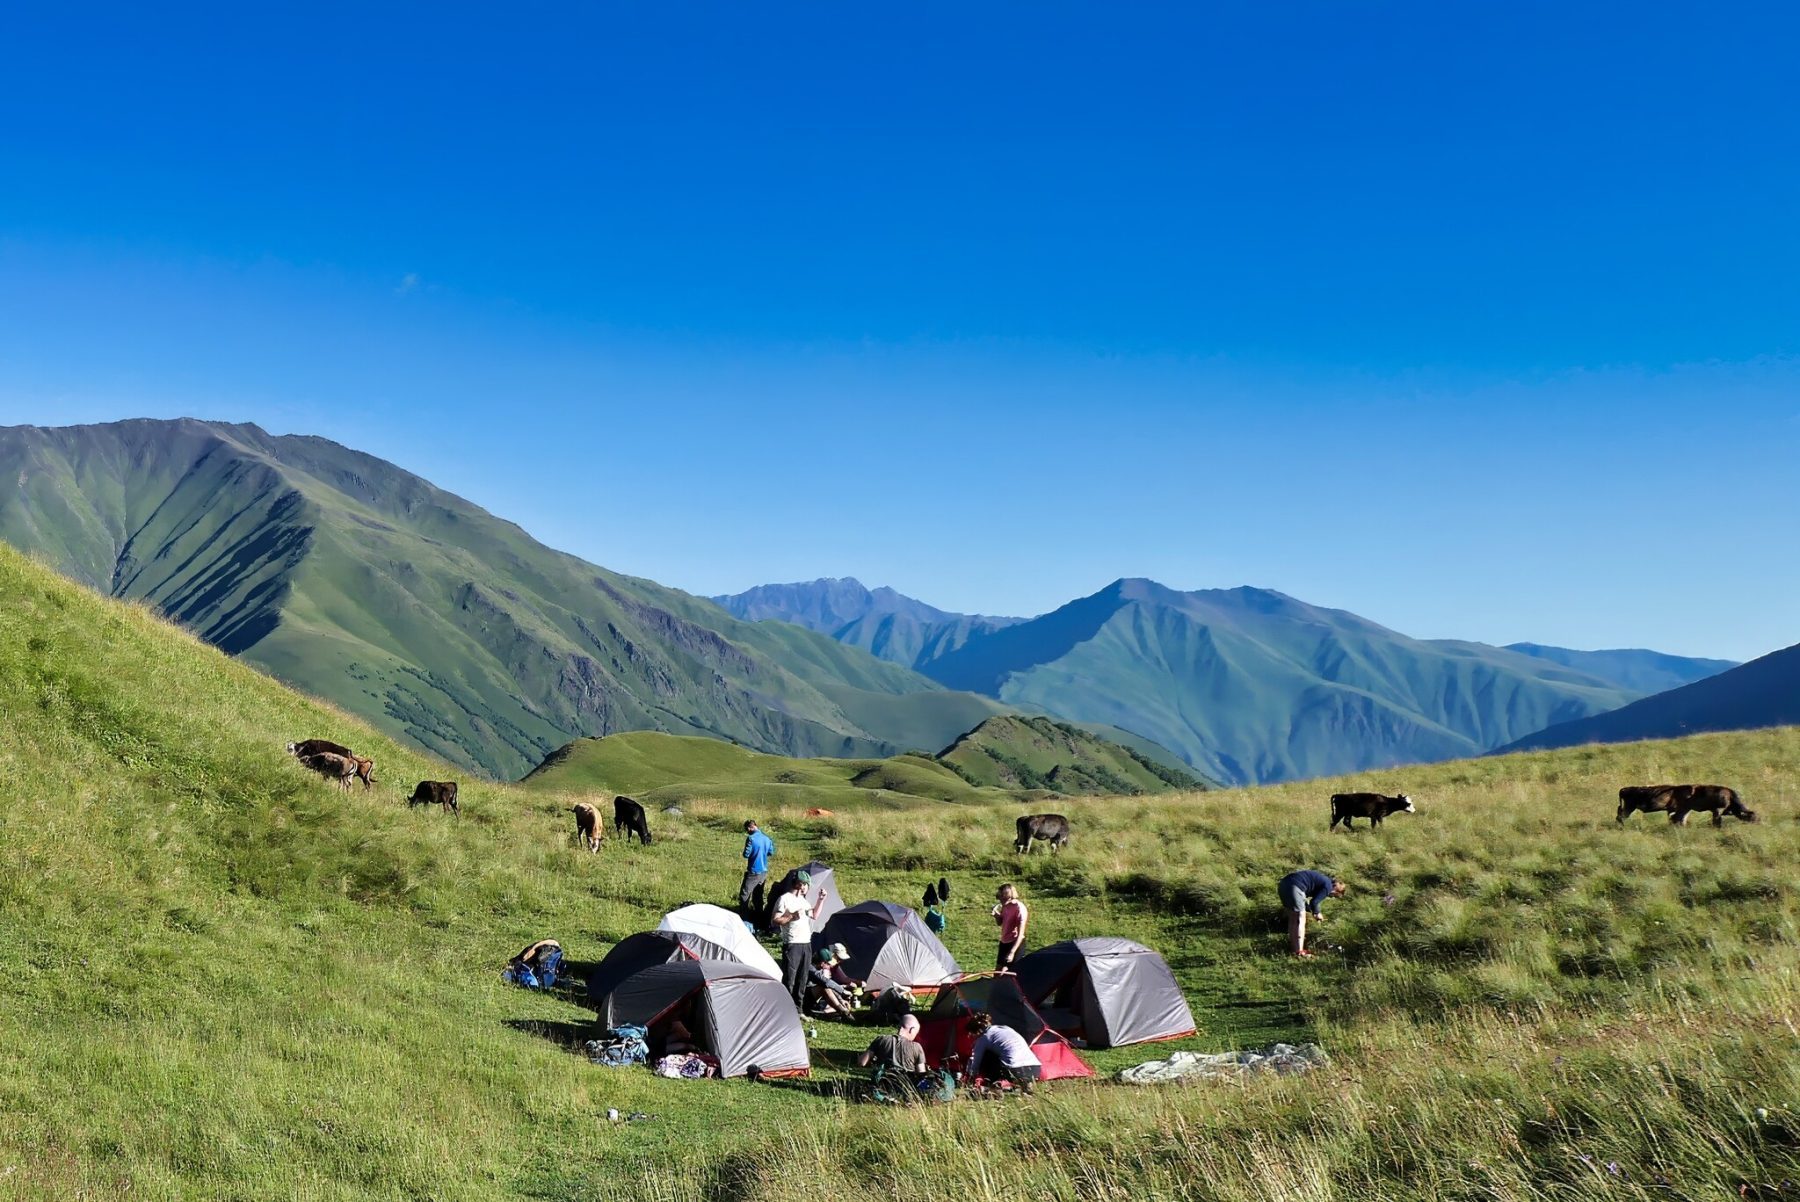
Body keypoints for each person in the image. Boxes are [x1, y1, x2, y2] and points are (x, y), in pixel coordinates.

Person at [772, 870, 828, 1009]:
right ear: (798, 884)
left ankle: (798, 1009)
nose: (805, 887)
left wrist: (821, 899)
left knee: (802, 978)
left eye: (806, 885)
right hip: (792, 944)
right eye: (803, 884)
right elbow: (775, 920)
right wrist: (791, 916)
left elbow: (814, 915)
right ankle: (785, 1009)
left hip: (806, 944)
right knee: (790, 978)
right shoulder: (784, 899)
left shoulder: (804, 902)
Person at [964, 1011, 1041, 1093]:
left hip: (1015, 1069)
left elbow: (976, 1062)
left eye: (972, 1034)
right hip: (1035, 1068)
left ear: (977, 1031)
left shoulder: (984, 1037)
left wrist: (970, 1077)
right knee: (1003, 1051)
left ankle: (993, 1086)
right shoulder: (1005, 1028)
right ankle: (1025, 1084)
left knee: (987, 1055)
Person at [1278, 868, 1347, 958]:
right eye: (1333, 895)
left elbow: (1306, 904)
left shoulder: (1322, 880)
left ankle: (1295, 950)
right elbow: (1314, 902)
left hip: (1283, 885)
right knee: (1300, 918)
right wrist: (1317, 913)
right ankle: (1299, 951)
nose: (1330, 896)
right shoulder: (1328, 886)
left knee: (1293, 918)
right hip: (1295, 886)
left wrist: (1313, 911)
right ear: (1336, 889)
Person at [858, 1013, 927, 1074]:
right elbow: (921, 1073)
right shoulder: (917, 1047)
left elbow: (862, 1062)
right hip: (905, 1085)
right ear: (912, 1030)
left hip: (883, 1083)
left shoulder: (882, 1039)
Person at [740, 820, 775, 919]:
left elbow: (746, 854)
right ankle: (759, 917)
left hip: (754, 870)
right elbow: (771, 852)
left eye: (747, 830)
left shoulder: (751, 839)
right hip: (764, 871)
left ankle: (743, 917)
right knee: (758, 895)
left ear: (749, 828)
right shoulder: (767, 838)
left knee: (745, 894)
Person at [992, 883, 1028, 972]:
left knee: (1007, 973)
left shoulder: (1019, 908)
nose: (999, 900)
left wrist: (1012, 953)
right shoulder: (1005, 906)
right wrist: (997, 916)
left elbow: (1021, 934)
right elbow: (1000, 923)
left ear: (1007, 896)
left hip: (1015, 943)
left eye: (1000, 897)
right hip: (1004, 942)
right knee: (997, 972)